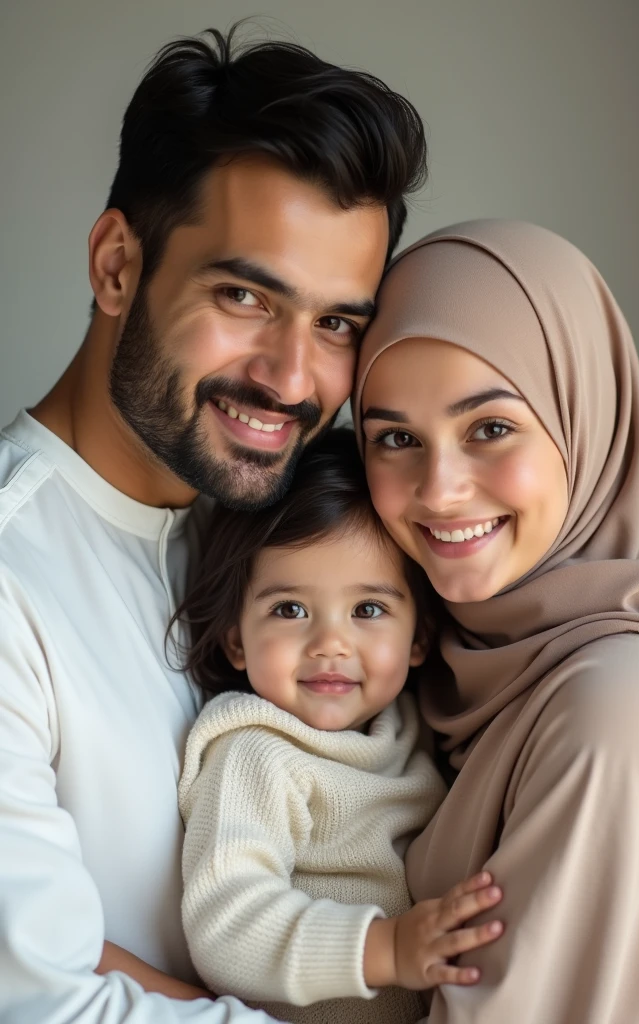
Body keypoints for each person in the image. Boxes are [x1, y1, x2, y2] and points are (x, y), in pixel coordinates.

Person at [0, 25, 426, 1023]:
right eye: (244, 294)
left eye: (335, 324)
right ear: (115, 266)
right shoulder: (11, 577)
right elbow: (44, 1006)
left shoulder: (299, 543)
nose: (291, 379)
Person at [352, 219, 639, 1024]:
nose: (440, 489)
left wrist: (149, 994)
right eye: (395, 438)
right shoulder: (411, 654)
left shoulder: (620, 706)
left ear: (584, 417)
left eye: (490, 428)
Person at [164, 429, 503, 1022]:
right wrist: (388, 949)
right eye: (289, 609)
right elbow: (227, 924)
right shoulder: (256, 753)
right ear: (237, 638)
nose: (329, 644)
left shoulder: (415, 730)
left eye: (367, 610)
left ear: (418, 636)